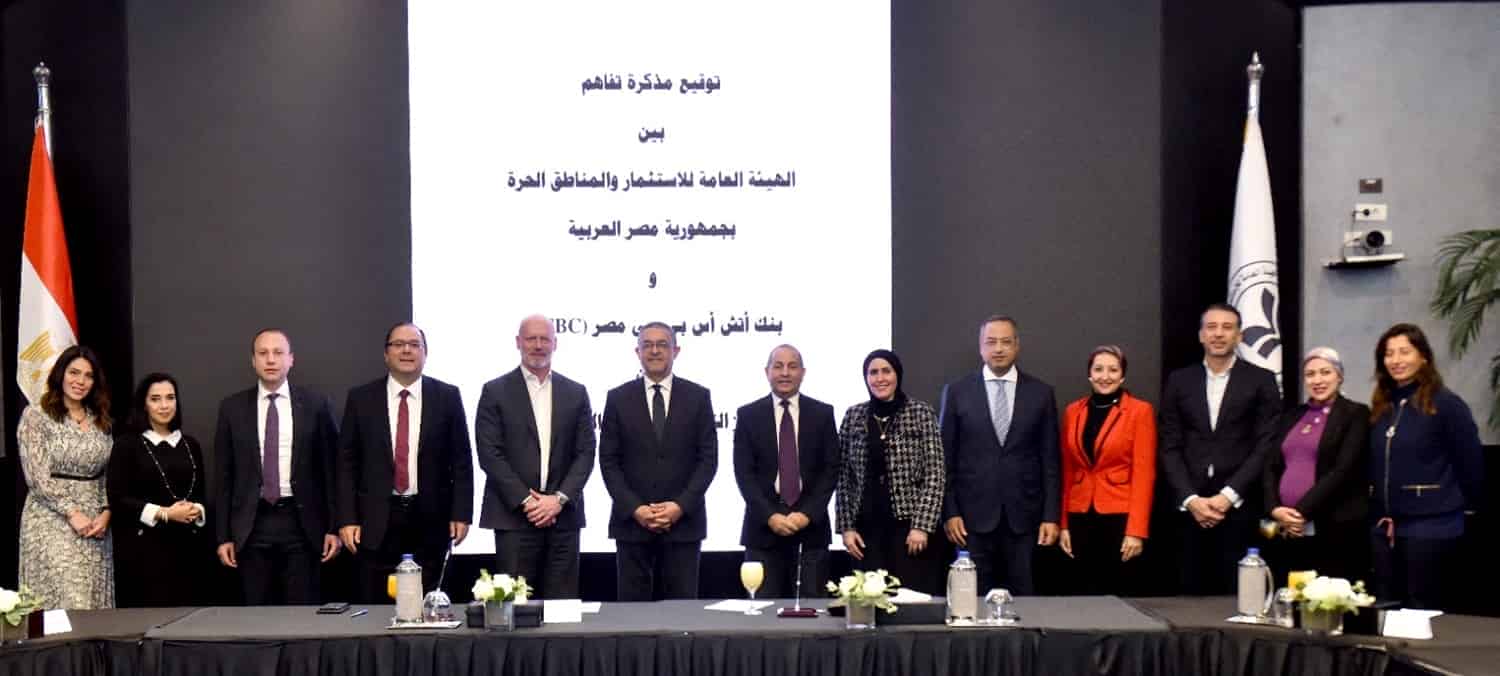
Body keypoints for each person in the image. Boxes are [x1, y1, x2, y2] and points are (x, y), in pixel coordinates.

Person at [336, 323, 474, 603]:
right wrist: (348, 518)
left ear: (425, 353)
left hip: (431, 517)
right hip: (376, 519)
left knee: (428, 603)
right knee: (375, 605)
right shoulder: (361, 398)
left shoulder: (447, 396)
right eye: (398, 344)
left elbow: (461, 460)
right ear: (386, 354)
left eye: (414, 344)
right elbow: (347, 463)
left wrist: (461, 513)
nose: (406, 350)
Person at [1158, 303, 1281, 595]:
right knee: (1187, 601)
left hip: (1239, 508)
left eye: (1227, 327)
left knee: (1238, 597)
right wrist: (1191, 499)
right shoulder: (1179, 381)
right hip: (1189, 509)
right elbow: (1169, 444)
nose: (1218, 334)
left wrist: (1228, 496)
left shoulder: (1261, 380)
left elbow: (1266, 444)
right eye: (1211, 327)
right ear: (1201, 335)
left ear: (1239, 336)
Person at [214, 328, 341, 605]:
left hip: (302, 524)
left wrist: (334, 527)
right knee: (255, 614)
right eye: (263, 353)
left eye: (278, 352)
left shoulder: (317, 404)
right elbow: (224, 477)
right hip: (251, 525)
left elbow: (332, 471)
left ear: (291, 359)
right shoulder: (232, 408)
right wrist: (223, 536)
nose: (271, 359)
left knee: (301, 614)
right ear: (253, 360)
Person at [475, 315, 596, 599]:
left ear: (555, 343)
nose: (538, 345)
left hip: (563, 518)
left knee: (562, 610)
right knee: (515, 607)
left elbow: (586, 452)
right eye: (531, 339)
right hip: (514, 518)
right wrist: (528, 502)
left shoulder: (576, 392)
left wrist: (558, 500)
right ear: (518, 342)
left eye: (545, 339)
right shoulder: (495, 391)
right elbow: (489, 453)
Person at [939, 316, 1060, 595]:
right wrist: (950, 512)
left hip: (1025, 518)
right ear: (980, 347)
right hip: (971, 520)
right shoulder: (957, 392)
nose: (998, 349)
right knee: (971, 601)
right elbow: (944, 459)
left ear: (1017, 345)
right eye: (991, 342)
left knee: (1026, 600)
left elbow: (1050, 461)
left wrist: (1051, 516)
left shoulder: (1041, 393)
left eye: (1006, 342)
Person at [598, 322, 718, 600]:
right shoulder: (617, 398)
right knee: (633, 617)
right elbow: (609, 461)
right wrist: (636, 509)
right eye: (647, 345)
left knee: (681, 616)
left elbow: (708, 460)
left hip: (683, 526)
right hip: (632, 526)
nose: (654, 351)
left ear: (676, 350)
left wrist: (679, 506)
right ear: (637, 352)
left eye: (662, 344)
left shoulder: (698, 397)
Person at [1367, 323, 1483, 610]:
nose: (1396, 360)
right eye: (1389, 354)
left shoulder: (1446, 404)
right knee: (1386, 610)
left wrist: (1465, 508)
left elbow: (1470, 464)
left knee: (1422, 611)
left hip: (1432, 527)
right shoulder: (1383, 406)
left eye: (1404, 352)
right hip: (1386, 529)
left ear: (1423, 357)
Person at [732, 344, 839, 598]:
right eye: (778, 366)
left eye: (792, 366)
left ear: (803, 372)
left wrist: (806, 514)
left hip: (811, 532)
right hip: (762, 532)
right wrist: (770, 516)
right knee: (762, 614)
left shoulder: (823, 413)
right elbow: (744, 473)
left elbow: (830, 469)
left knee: (813, 612)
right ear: (767, 372)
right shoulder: (748, 415)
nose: (785, 373)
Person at [838, 349, 946, 594]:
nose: (880, 378)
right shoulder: (854, 415)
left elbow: (935, 472)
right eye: (873, 372)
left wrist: (922, 525)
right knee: (869, 603)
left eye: (886, 371)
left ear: (897, 374)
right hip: (865, 532)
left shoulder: (920, 412)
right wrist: (847, 527)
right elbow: (843, 476)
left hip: (910, 532)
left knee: (912, 603)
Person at [1260, 347, 1370, 584]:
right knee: (1289, 594)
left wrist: (1299, 513)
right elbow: (1271, 465)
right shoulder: (1292, 416)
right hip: (1285, 528)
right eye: (1310, 374)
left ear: (1339, 376)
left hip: (1333, 528)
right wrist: (1274, 509)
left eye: (1325, 372)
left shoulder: (1355, 414)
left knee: (1327, 597)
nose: (1317, 380)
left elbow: (1343, 470)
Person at [17, 345, 115, 609]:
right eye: (74, 372)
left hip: (95, 526)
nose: (80, 381)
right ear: (60, 373)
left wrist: (106, 511)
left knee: (94, 604)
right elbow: (36, 476)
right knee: (69, 601)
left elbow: (108, 473)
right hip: (51, 519)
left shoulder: (101, 420)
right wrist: (72, 512)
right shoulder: (36, 415)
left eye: (88, 375)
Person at [1057, 345, 1156, 596]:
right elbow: (1067, 471)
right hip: (1079, 515)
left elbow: (1144, 474)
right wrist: (1064, 525)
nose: (1105, 376)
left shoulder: (1139, 411)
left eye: (1113, 370)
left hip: (1119, 516)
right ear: (1089, 374)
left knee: (1118, 592)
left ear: (1122, 376)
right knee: (1082, 593)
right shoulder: (1073, 411)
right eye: (1098, 369)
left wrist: (1136, 531)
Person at [107, 373, 212, 607]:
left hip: (188, 551)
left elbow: (201, 493)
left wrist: (196, 509)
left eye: (170, 398)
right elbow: (117, 498)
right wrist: (165, 513)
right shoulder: (127, 444)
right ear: (144, 404)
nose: (164, 405)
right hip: (145, 552)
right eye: (155, 399)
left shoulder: (190, 444)